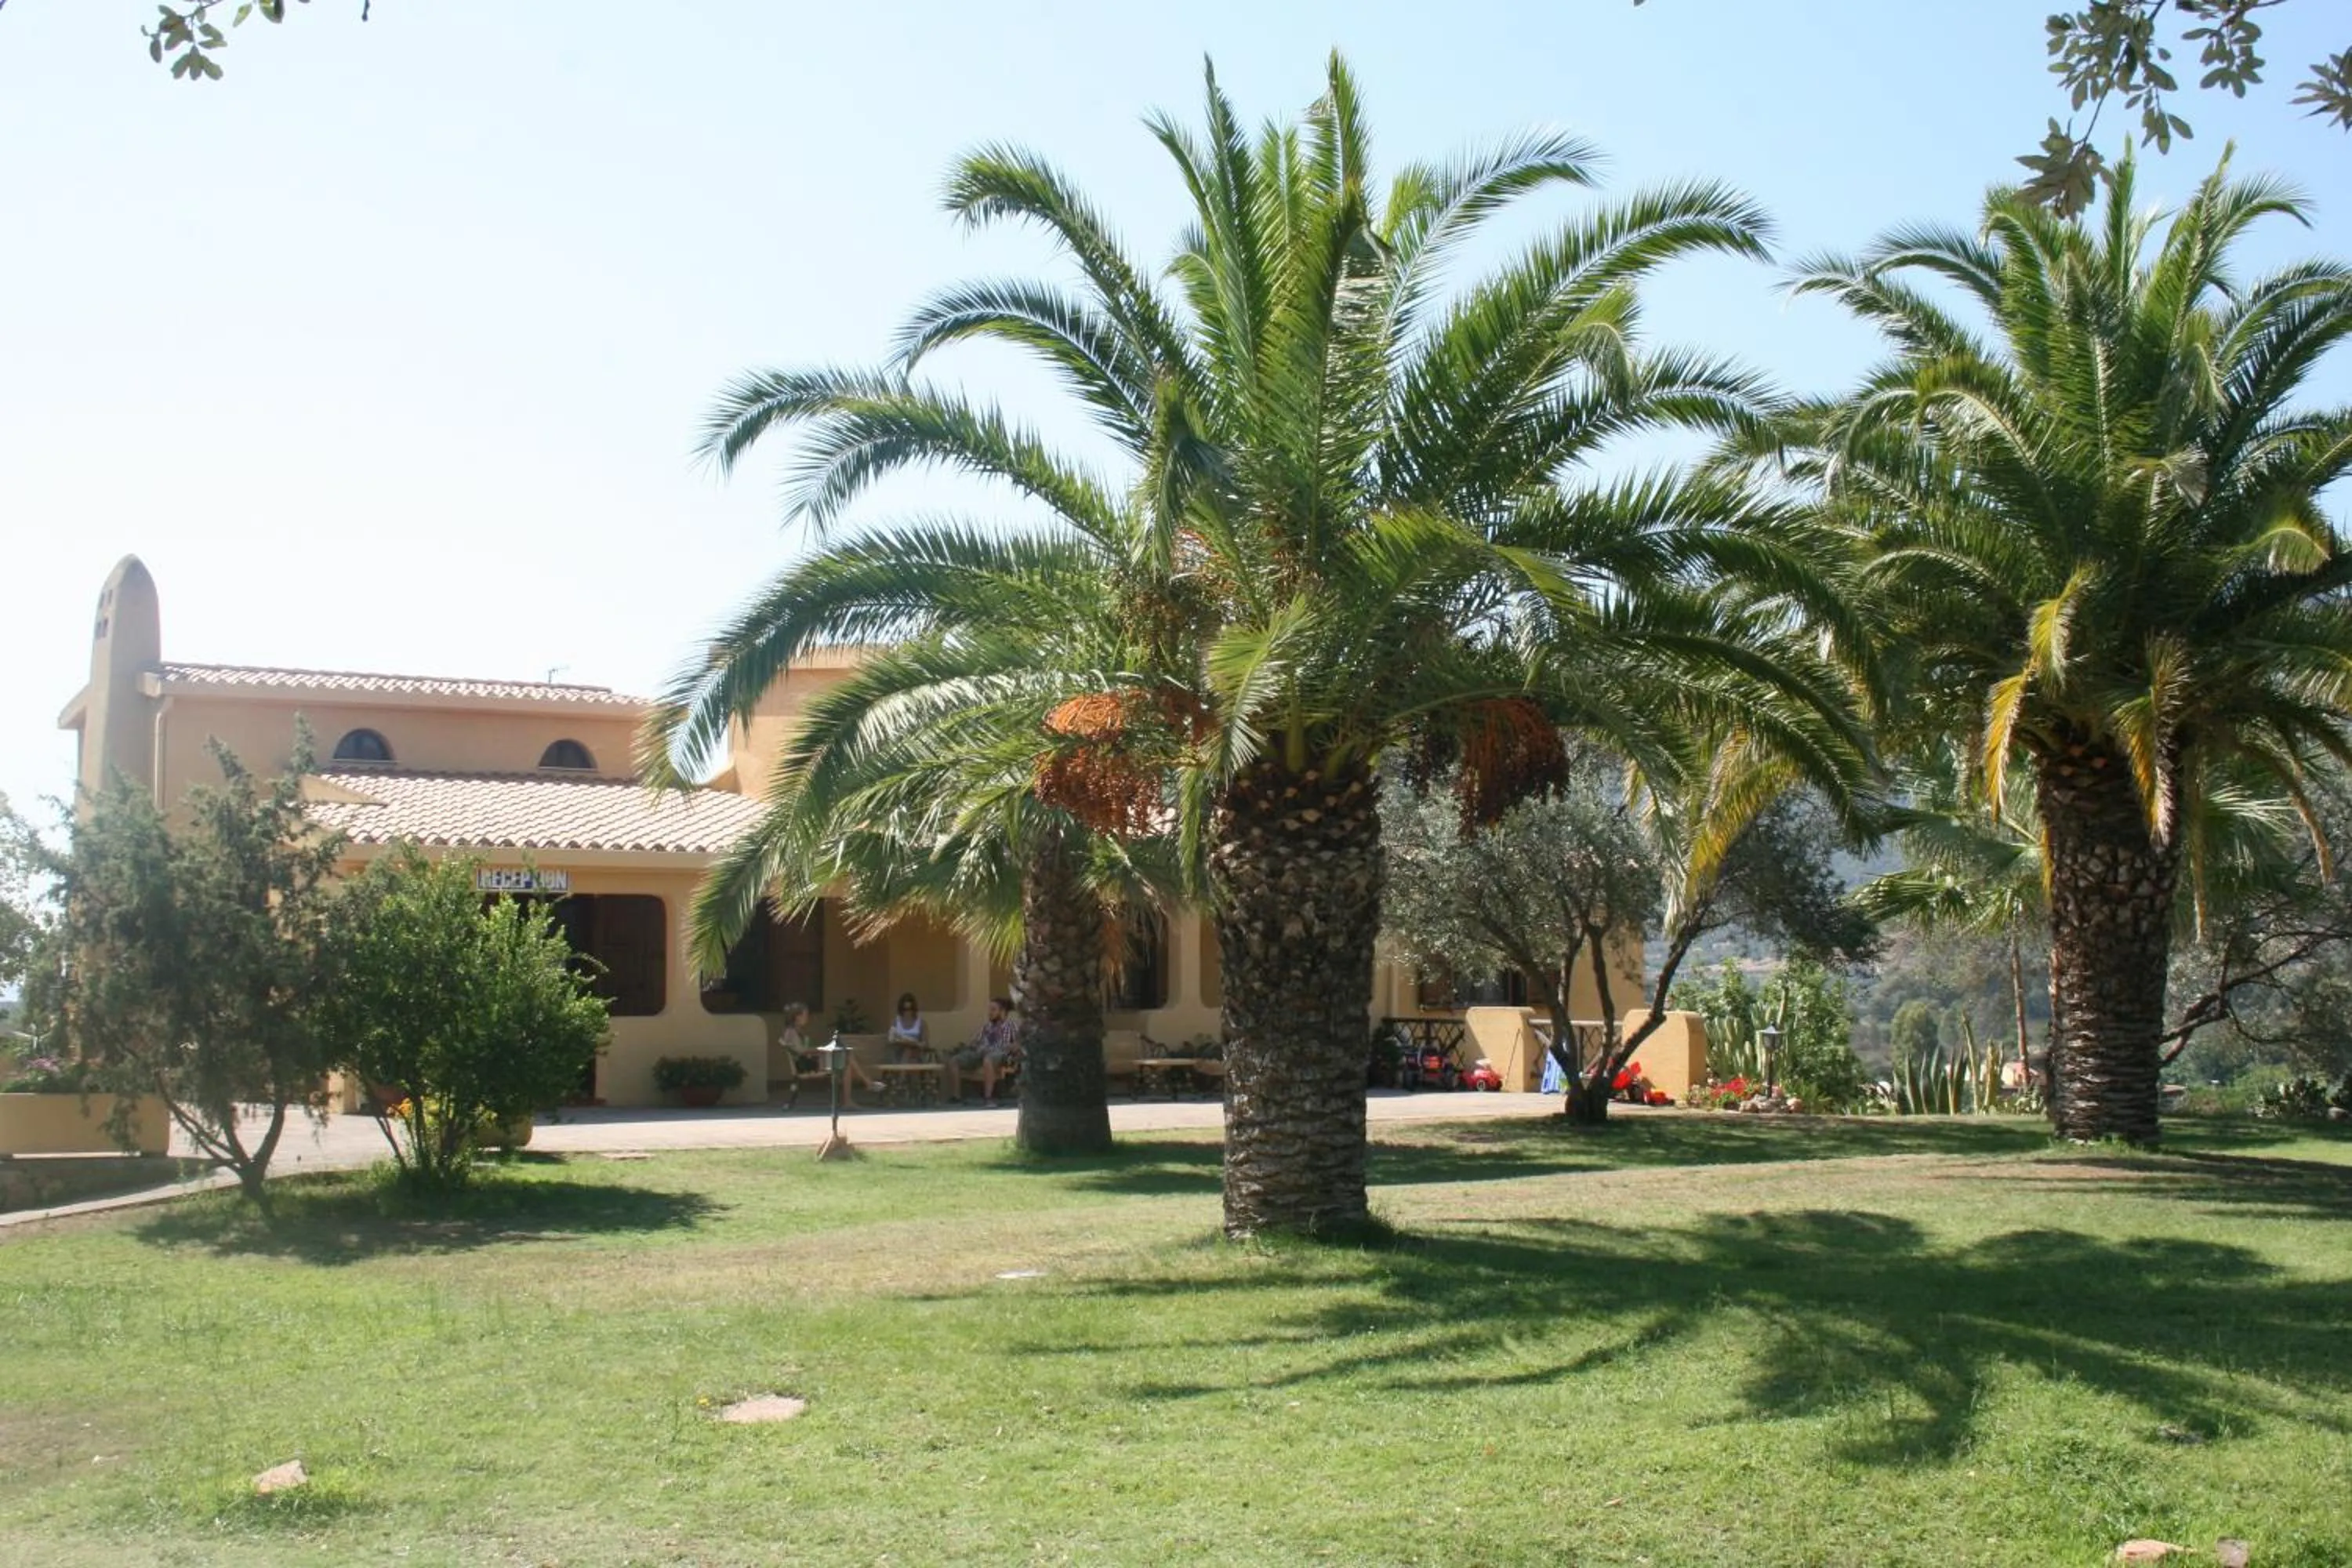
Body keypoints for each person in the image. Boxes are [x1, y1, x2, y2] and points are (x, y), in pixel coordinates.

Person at [779, 1002, 874, 1107]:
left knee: (847, 1057)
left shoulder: (796, 1031)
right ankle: (862, 1086)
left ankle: (864, 1084)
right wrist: (822, 1050)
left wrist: (823, 1049)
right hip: (807, 1066)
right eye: (805, 1015)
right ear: (797, 1017)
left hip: (810, 1061)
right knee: (847, 1059)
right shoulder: (791, 1032)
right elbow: (802, 1051)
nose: (807, 1018)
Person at [949, 997, 1021, 1106]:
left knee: (988, 1060)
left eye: (993, 1010)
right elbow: (976, 1042)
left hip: (1000, 1053)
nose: (990, 1013)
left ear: (1002, 1012)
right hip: (982, 1051)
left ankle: (989, 1098)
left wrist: (1008, 1047)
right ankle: (956, 1097)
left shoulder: (1011, 1025)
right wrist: (974, 1045)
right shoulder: (987, 1026)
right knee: (954, 1060)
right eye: (989, 1010)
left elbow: (1017, 1044)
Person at [886, 992, 930, 1062]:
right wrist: (901, 1042)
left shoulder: (921, 1023)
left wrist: (914, 1043)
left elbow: (925, 1044)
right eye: (905, 1009)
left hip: (916, 1053)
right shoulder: (895, 1022)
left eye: (910, 1009)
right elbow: (890, 1040)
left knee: (909, 1051)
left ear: (914, 1009)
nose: (908, 1012)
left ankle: (902, 1071)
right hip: (899, 1052)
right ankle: (903, 1070)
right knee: (906, 1050)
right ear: (901, 1010)